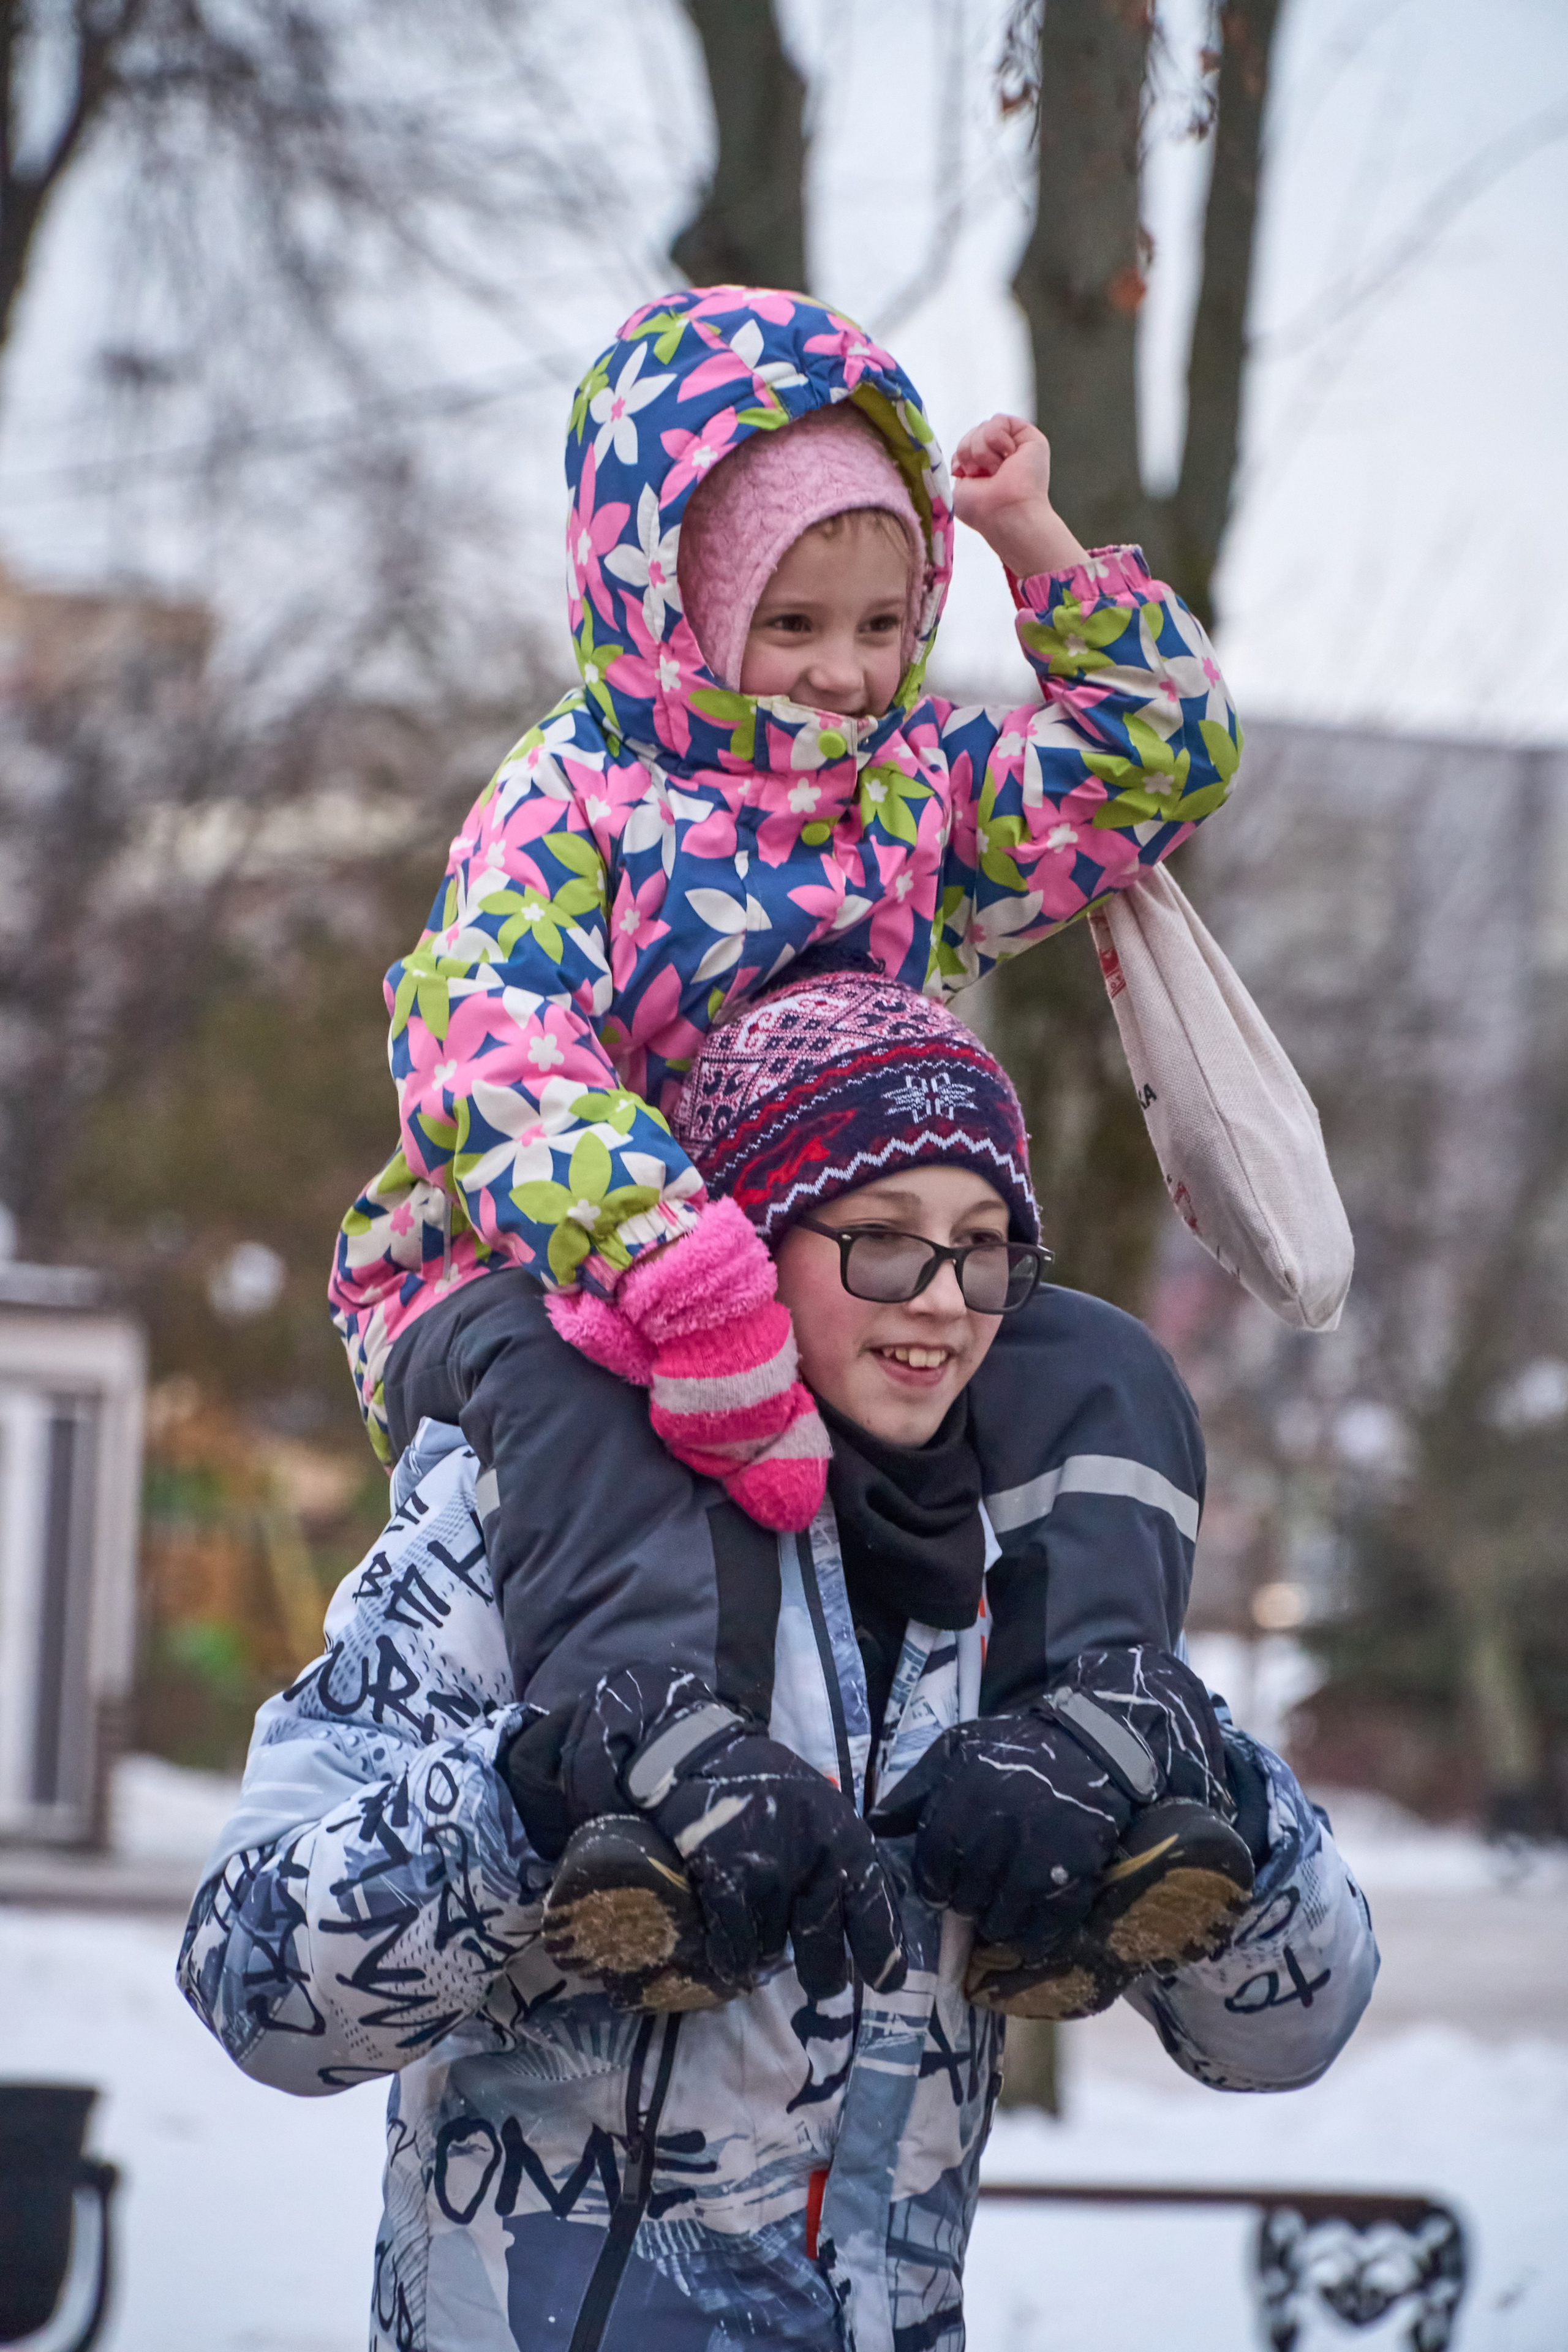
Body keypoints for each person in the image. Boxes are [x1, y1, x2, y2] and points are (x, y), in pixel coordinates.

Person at [181, 983, 1379, 2352]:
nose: (941, 1304)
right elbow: (254, 1982)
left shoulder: (1037, 1568)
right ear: (747, 1238)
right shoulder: (510, 1524)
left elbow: (1292, 2033)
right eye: (880, 1245)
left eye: (985, 1253)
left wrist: (1185, 1763)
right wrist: (528, 1792)